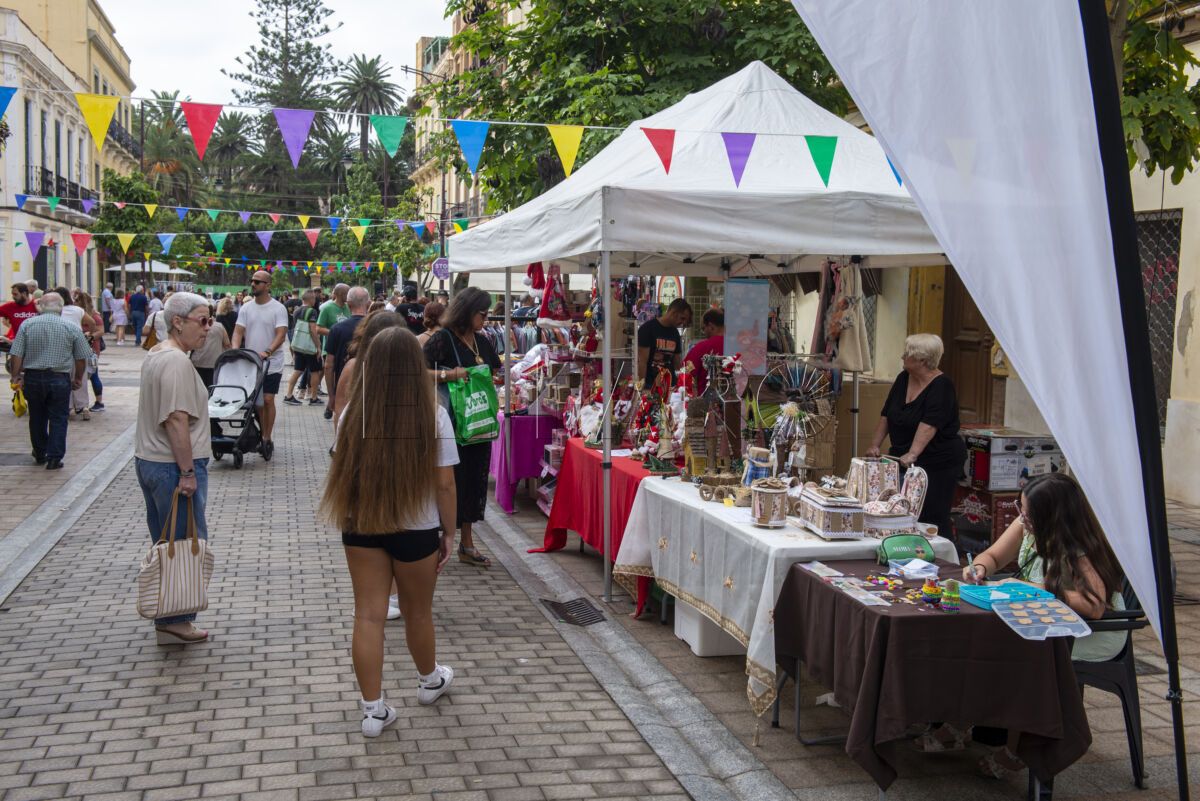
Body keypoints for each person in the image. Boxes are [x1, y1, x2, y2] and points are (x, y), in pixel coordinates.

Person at [917, 472, 1126, 777]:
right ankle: (962, 722)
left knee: (1008, 651)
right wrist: (978, 568)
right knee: (977, 638)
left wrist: (1039, 589)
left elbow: (1094, 606)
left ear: (1052, 517)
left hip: (1087, 631)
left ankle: (1018, 746)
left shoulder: (1079, 545)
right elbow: (994, 556)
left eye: (1028, 515)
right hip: (1041, 619)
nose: (1022, 519)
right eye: (1021, 510)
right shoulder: (1028, 522)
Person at [320, 326, 457, 736]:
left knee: (368, 615)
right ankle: (430, 680)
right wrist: (449, 533)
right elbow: (445, 484)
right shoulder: (432, 414)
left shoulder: (352, 414)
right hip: (416, 528)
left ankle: (373, 710)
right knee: (417, 612)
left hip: (361, 524)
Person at [136, 292, 214, 645]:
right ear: (178, 321)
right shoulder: (176, 361)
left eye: (210, 320)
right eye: (203, 320)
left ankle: (170, 616)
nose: (208, 328)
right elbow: (176, 420)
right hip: (171, 467)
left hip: (154, 462)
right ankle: (176, 618)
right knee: (182, 543)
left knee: (168, 541)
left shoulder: (161, 355)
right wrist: (187, 472)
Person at [424, 287, 500, 568]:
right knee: (448, 481)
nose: (486, 318)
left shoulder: (483, 341)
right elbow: (419, 371)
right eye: (483, 313)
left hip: (478, 425)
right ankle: (439, 539)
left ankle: (466, 544)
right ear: (467, 312)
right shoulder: (443, 339)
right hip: (451, 425)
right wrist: (450, 374)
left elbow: (494, 371)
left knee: (473, 483)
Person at [865, 333, 967, 539]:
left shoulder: (942, 386)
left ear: (922, 360)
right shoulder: (904, 378)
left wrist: (912, 453)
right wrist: (874, 445)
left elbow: (929, 425)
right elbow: (887, 414)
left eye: (907, 354)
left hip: (937, 461)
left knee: (931, 516)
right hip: (903, 459)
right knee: (899, 509)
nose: (902, 357)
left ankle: (942, 558)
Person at [9, 292, 90, 469]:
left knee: (37, 417)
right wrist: (77, 378)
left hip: (33, 377)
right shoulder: (71, 327)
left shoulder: (27, 325)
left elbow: (16, 353)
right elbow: (82, 357)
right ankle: (54, 457)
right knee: (59, 418)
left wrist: (16, 377)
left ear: (41, 307)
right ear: (61, 308)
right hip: (59, 378)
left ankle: (39, 452)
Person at [231, 272, 288, 459]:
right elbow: (238, 331)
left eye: (257, 282)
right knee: (257, 403)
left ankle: (266, 436)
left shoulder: (278, 308)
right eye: (252, 281)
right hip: (251, 362)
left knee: (268, 399)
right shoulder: (246, 308)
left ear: (268, 285)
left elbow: (281, 334)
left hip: (272, 362)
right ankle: (262, 432)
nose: (253, 284)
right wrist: (235, 350)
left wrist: (268, 351)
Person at [324, 287, 370, 427]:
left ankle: (339, 447)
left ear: (348, 304)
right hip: (371, 383)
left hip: (342, 384)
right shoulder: (378, 327)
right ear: (368, 304)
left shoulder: (337, 329)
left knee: (341, 417)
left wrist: (331, 395)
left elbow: (328, 365)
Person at [56, 288, 100, 420]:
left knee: (66, 376)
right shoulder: (78, 310)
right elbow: (92, 322)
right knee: (81, 376)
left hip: (62, 344)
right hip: (78, 342)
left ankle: (69, 408)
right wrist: (90, 336)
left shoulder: (58, 311)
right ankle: (84, 407)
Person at [636, 298, 693, 386]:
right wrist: (640, 388)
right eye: (682, 318)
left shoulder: (675, 333)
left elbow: (677, 362)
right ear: (674, 312)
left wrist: (682, 383)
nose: (683, 322)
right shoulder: (647, 329)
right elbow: (642, 362)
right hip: (650, 386)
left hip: (670, 386)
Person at [284, 290, 324, 406]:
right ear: (311, 299)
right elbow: (312, 330)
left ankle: (289, 395)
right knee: (315, 371)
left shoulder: (297, 311)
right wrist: (318, 346)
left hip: (298, 345)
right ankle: (314, 397)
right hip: (309, 346)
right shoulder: (312, 311)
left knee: (298, 370)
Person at [317, 283, 352, 419]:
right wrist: (336, 332)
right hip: (331, 348)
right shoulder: (327, 308)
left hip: (346, 349)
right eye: (346, 294)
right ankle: (332, 401)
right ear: (337, 294)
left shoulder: (349, 308)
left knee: (343, 379)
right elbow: (318, 328)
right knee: (333, 376)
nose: (348, 296)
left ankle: (334, 404)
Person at [75, 291, 106, 412]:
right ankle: (79, 403)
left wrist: (90, 336)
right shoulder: (77, 314)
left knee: (93, 375)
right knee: (80, 375)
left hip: (92, 349)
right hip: (79, 348)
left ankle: (99, 402)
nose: (74, 302)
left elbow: (101, 331)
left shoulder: (94, 316)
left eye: (76, 300)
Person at [683, 308, 724, 394]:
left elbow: (685, 373)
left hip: (707, 403)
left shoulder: (702, 348)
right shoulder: (738, 345)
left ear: (711, 326)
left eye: (703, 328)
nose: (704, 332)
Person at [190, 306, 231, 388]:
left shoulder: (195, 326)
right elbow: (227, 344)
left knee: (198, 388)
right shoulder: (219, 326)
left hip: (197, 362)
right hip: (214, 363)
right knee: (212, 388)